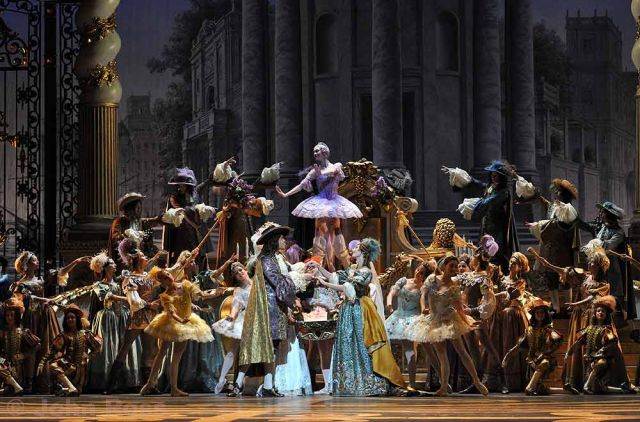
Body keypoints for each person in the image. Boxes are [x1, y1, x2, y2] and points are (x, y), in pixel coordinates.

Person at [317, 238, 409, 396]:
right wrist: (318, 267)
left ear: (363, 252)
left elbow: (349, 289)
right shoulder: (352, 269)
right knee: (348, 342)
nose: (353, 249)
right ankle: (350, 383)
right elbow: (335, 276)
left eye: (357, 247)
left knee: (361, 343)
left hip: (359, 310)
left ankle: (366, 382)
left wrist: (325, 284)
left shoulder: (366, 272)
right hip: (347, 310)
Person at [532, 245, 611, 394]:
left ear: (599, 266)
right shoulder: (585, 276)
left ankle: (591, 382)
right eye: (589, 261)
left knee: (591, 348)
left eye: (593, 262)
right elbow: (566, 271)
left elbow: (592, 297)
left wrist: (576, 303)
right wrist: (548, 264)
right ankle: (574, 380)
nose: (589, 264)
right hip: (579, 316)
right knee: (576, 346)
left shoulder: (604, 284)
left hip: (593, 318)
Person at [231, 224, 298, 398]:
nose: (284, 241)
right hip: (268, 309)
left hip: (274, 306)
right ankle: (238, 383)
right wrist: (295, 284)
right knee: (261, 345)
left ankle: (267, 385)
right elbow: (277, 280)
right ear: (274, 240)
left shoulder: (272, 258)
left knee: (270, 347)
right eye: (281, 238)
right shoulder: (267, 259)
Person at [408, 255, 488, 397]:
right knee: (441, 354)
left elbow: (459, 309)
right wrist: (423, 308)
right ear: (445, 265)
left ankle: (477, 381)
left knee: (462, 351)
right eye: (451, 265)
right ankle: (444, 387)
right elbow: (423, 294)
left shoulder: (453, 287)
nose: (454, 269)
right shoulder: (432, 279)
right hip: (434, 320)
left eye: (456, 266)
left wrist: (468, 322)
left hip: (450, 319)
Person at [275, 142, 363, 271]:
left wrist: (320, 173)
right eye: (314, 151)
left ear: (325, 153)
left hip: (333, 202)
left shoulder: (336, 165)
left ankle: (344, 267)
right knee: (319, 233)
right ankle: (319, 268)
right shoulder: (314, 171)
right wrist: (285, 194)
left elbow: (334, 172)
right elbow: (302, 185)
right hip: (320, 203)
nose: (315, 153)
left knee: (336, 232)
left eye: (317, 151)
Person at [139, 267, 223, 397]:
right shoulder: (165, 295)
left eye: (168, 274)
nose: (169, 277)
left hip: (185, 321)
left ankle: (174, 388)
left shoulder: (185, 284)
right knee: (161, 353)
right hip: (170, 323)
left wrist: (215, 293)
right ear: (162, 282)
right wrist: (181, 320)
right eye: (165, 277)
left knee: (176, 356)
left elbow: (201, 294)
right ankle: (150, 383)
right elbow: (171, 313)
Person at [11, 251, 88, 393]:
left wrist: (76, 261)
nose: (37, 262)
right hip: (31, 317)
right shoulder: (20, 284)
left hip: (45, 315)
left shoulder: (41, 279)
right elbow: (25, 298)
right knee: (31, 346)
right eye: (34, 260)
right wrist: (44, 300)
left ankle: (47, 381)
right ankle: (29, 382)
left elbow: (61, 273)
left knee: (47, 346)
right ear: (27, 265)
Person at [442, 160, 518, 271]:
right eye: (492, 175)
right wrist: (462, 177)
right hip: (487, 225)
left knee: (497, 252)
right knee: (484, 251)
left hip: (498, 228)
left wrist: (475, 205)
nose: (493, 178)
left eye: (496, 176)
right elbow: (478, 185)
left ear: (501, 177)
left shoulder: (503, 192)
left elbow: (489, 201)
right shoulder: (491, 187)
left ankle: (499, 273)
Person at [104, 239, 158, 394]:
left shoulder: (149, 276)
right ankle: (111, 385)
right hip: (137, 317)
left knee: (149, 350)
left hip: (150, 317)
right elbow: (133, 301)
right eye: (143, 256)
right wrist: (150, 305)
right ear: (137, 260)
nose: (146, 257)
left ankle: (148, 386)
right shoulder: (129, 278)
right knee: (125, 348)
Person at [526, 179, 584, 315]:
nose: (556, 194)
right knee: (550, 278)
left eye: (558, 192)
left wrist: (538, 225)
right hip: (550, 249)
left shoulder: (568, 211)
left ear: (564, 195)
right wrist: (539, 197)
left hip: (562, 251)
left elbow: (559, 226)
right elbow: (549, 206)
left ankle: (569, 307)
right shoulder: (555, 207)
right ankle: (556, 307)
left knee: (565, 279)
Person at [85, 252, 139, 393]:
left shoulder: (119, 282)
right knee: (109, 347)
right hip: (107, 319)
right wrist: (128, 299)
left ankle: (123, 381)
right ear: (104, 267)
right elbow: (107, 298)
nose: (115, 265)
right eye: (112, 263)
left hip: (121, 317)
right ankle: (105, 381)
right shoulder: (99, 285)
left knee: (123, 346)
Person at [565, 295, 636, 394]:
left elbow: (611, 345)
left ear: (606, 315)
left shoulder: (607, 330)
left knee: (600, 363)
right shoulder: (589, 329)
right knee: (597, 388)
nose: (600, 313)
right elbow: (579, 342)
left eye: (603, 311)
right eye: (598, 311)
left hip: (604, 360)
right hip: (591, 360)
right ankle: (623, 390)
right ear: (595, 313)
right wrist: (569, 352)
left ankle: (586, 386)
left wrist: (599, 354)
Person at [38, 305, 102, 397]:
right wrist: (42, 362)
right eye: (68, 318)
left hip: (80, 370)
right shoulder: (63, 335)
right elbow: (52, 351)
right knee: (53, 365)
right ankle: (69, 387)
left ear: (77, 319)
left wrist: (89, 355)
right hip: (67, 365)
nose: (70, 320)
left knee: (77, 391)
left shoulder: (85, 334)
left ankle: (68, 388)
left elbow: (98, 346)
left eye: (72, 317)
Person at [502, 299, 562, 395]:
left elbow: (557, 340)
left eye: (542, 312)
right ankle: (536, 387)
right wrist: (507, 356)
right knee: (540, 388)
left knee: (544, 363)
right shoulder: (529, 330)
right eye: (537, 313)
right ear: (534, 315)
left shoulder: (547, 329)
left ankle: (530, 387)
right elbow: (519, 345)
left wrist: (549, 343)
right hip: (532, 359)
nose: (540, 314)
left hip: (544, 357)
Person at [211, 261, 252, 394]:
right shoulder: (239, 291)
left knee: (249, 352)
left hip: (256, 320)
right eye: (235, 273)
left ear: (245, 270)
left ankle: (238, 382)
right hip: (243, 320)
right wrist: (229, 318)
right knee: (232, 350)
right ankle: (222, 379)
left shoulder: (258, 284)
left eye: (240, 270)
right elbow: (235, 309)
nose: (239, 273)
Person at [384, 258, 426, 389]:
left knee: (410, 349)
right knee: (400, 348)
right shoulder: (404, 281)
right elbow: (392, 292)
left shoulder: (423, 288)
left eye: (421, 273)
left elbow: (422, 305)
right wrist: (389, 303)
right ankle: (396, 379)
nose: (418, 273)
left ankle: (412, 382)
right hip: (398, 317)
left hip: (412, 318)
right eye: (417, 270)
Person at [497, 252, 535, 392]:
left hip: (514, 316)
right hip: (501, 315)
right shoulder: (501, 280)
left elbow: (513, 296)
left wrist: (505, 297)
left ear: (520, 267)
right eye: (511, 262)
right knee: (501, 345)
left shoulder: (521, 282)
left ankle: (516, 381)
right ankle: (502, 381)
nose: (512, 265)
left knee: (514, 344)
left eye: (515, 263)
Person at [162, 167, 216, 266]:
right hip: (182, 231)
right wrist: (194, 209)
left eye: (183, 185)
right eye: (179, 185)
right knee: (183, 255)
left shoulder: (194, 194)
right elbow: (180, 210)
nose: (181, 187)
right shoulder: (174, 198)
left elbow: (202, 187)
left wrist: (202, 209)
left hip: (196, 230)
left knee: (199, 254)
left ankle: (199, 270)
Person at [591, 201, 633, 318]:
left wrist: (596, 243)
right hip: (600, 265)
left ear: (608, 215)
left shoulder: (618, 232)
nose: (600, 214)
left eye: (603, 212)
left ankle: (617, 317)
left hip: (612, 267)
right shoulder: (603, 227)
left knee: (614, 292)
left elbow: (608, 246)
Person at [108, 192, 161, 271]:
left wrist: (159, 219)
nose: (140, 210)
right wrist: (127, 236)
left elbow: (149, 222)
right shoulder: (119, 221)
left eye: (140, 208)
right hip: (124, 260)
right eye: (138, 208)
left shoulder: (138, 222)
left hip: (138, 261)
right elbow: (115, 237)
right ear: (130, 208)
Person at [0, 297, 40, 396]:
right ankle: (11, 387)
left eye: (12, 315)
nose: (9, 318)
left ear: (17, 316)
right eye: (7, 315)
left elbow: (37, 345)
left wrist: (24, 355)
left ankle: (15, 386)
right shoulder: (2, 332)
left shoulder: (23, 332)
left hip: (17, 368)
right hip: (4, 364)